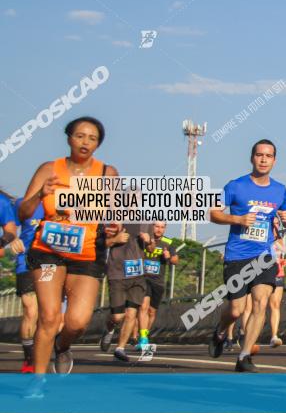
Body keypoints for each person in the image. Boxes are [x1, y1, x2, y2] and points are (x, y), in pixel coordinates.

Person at [18, 116, 125, 375]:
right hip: (48, 253)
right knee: (49, 317)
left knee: (77, 322)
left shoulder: (106, 173)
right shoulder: (49, 169)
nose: (85, 142)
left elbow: (118, 213)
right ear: (69, 138)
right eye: (80, 136)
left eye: (92, 138)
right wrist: (40, 195)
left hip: (87, 254)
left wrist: (115, 226)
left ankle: (62, 345)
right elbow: (23, 212)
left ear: (98, 144)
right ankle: (38, 381)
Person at [208, 139, 286, 372]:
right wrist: (236, 219)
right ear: (252, 158)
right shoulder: (235, 186)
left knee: (261, 303)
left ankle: (244, 356)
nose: (263, 159)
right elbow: (213, 213)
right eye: (259, 155)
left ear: (274, 160)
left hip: (264, 256)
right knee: (236, 310)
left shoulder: (280, 189)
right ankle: (219, 332)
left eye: (268, 156)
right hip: (237, 255)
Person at [100, 224, 148, 362]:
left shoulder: (146, 221)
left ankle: (120, 348)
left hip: (138, 275)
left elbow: (150, 248)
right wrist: (116, 239)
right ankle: (109, 329)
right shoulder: (113, 219)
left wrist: (148, 240)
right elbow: (100, 244)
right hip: (117, 274)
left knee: (131, 314)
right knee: (117, 317)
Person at [8, 195, 45, 373]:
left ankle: (58, 349)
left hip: (52, 263)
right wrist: (12, 238)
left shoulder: (62, 204)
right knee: (30, 309)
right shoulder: (23, 204)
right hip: (26, 261)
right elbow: (7, 222)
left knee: (49, 315)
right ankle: (29, 359)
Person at [137, 221, 178, 350]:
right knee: (143, 306)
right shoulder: (144, 238)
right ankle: (143, 338)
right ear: (151, 227)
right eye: (156, 226)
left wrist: (169, 257)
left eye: (162, 227)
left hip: (158, 281)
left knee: (152, 311)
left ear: (165, 229)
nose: (159, 229)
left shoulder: (169, 242)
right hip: (143, 278)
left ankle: (144, 334)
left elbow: (176, 260)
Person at [268, 236, 286, 347]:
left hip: (278, 274)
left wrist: (283, 261)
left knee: (275, 305)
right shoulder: (263, 237)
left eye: (277, 223)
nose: (275, 225)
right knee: (258, 306)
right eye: (273, 223)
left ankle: (274, 336)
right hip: (262, 273)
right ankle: (245, 333)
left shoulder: (280, 241)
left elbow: (281, 256)